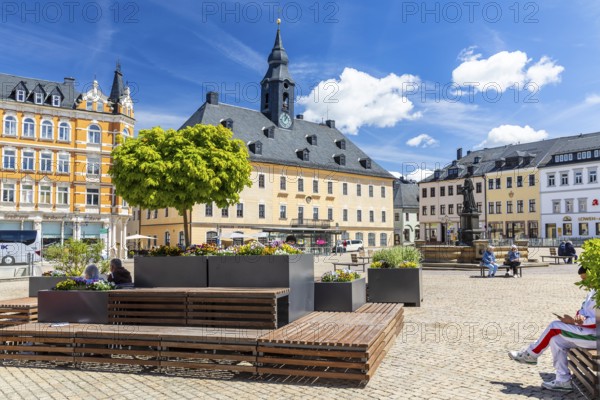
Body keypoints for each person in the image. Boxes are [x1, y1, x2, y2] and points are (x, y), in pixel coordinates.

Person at [508, 266, 597, 392]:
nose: (583, 283)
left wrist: (573, 322)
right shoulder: (593, 291)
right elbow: (584, 311)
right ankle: (563, 381)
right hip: (590, 331)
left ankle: (531, 354)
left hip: (596, 335)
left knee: (555, 326)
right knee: (556, 339)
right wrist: (577, 317)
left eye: (585, 279)